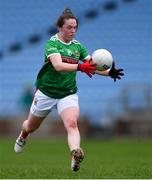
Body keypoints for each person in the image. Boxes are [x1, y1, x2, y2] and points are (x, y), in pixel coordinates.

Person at [14, 8, 124, 172]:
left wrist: (108, 72)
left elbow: (91, 66)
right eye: (69, 27)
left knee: (72, 123)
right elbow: (58, 66)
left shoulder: (78, 47)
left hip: (68, 93)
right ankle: (23, 135)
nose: (73, 31)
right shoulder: (52, 43)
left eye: (75, 27)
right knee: (30, 126)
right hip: (46, 92)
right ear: (60, 27)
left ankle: (75, 154)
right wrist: (81, 67)